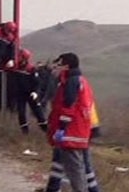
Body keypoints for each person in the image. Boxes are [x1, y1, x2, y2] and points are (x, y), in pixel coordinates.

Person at [46, 52, 95, 192]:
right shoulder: (80, 80)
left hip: (71, 132)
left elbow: (67, 107)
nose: (57, 67)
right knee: (70, 166)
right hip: (77, 131)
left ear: (67, 66)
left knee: (75, 169)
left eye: (59, 64)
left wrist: (61, 128)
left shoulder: (71, 82)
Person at [7, 48, 47, 134]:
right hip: (20, 94)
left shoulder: (31, 69)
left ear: (24, 58)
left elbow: (38, 83)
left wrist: (35, 92)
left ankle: (45, 130)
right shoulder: (16, 67)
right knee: (21, 113)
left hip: (31, 93)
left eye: (20, 56)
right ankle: (25, 132)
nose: (18, 58)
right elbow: (9, 72)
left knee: (38, 112)